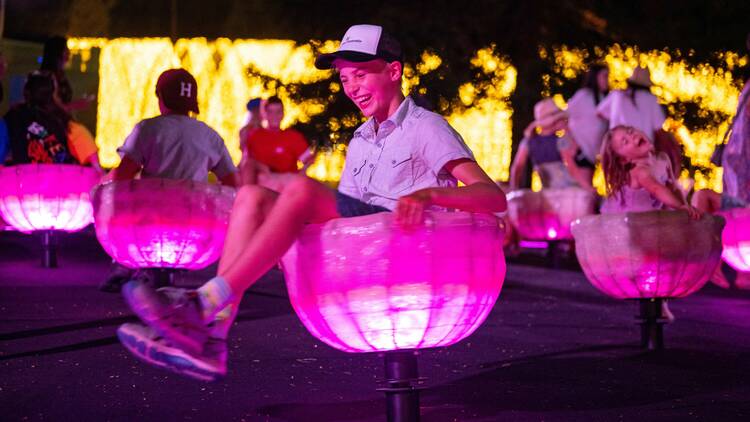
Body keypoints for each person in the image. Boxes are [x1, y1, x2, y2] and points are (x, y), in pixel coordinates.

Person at [116, 24, 508, 381]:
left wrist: (429, 194)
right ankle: (214, 337)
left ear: (393, 71)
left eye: (361, 74)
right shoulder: (360, 140)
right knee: (251, 197)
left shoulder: (426, 126)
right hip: (367, 244)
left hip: (406, 245)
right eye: (344, 78)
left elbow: (492, 196)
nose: (351, 87)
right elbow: (349, 206)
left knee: (301, 191)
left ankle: (205, 303)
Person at [99, 68, 239, 292]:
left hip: (151, 221)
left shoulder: (149, 128)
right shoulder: (211, 136)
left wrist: (100, 185)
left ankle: (123, 266)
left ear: (160, 97)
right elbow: (232, 183)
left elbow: (123, 176)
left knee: (110, 193)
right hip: (196, 225)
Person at [599, 125, 699, 217]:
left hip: (659, 214)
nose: (632, 136)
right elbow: (656, 189)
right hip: (638, 222)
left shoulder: (662, 159)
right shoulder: (639, 172)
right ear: (624, 160)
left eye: (630, 131)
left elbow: (673, 187)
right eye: (625, 141)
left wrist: (684, 206)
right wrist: (679, 207)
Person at [510, 98, 594, 191]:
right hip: (567, 188)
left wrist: (514, 187)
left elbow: (517, 167)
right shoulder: (560, 141)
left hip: (547, 189)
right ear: (554, 121)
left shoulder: (528, 142)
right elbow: (572, 168)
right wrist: (587, 187)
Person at [241, 96, 315, 189]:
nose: (274, 116)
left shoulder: (293, 137)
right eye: (271, 112)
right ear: (265, 114)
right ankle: (246, 195)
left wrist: (301, 174)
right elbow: (246, 163)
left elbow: (309, 160)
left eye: (278, 112)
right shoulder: (254, 136)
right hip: (263, 184)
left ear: (283, 114)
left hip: (286, 183)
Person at [4, 71, 74, 164]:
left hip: (19, 175)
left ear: (26, 92)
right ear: (51, 93)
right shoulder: (57, 121)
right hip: (51, 176)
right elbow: (62, 157)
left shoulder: (13, 116)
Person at [566, 64, 609, 165]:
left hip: (592, 154)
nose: (607, 80)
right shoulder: (583, 96)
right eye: (604, 76)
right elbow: (564, 117)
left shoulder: (604, 98)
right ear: (595, 77)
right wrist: (575, 145)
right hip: (581, 152)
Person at [40, 36, 95, 113]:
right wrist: (77, 104)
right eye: (66, 49)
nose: (69, 53)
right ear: (57, 52)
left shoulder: (60, 75)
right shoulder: (47, 77)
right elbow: (51, 107)